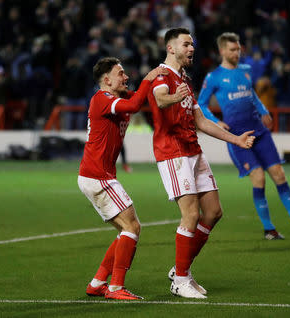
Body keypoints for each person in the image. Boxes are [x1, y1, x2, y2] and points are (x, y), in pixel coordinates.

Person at [147, 28, 255, 299]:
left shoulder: (183, 78)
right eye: (186, 44)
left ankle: (181, 269)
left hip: (193, 150)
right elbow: (159, 99)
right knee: (191, 215)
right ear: (171, 48)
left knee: (213, 212)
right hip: (173, 153)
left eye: (192, 44)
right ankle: (181, 280)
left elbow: (202, 121)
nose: (192, 48)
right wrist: (176, 95)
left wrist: (235, 140)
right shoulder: (162, 76)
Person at [198, 32, 290, 240]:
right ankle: (269, 229)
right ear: (222, 51)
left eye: (238, 49)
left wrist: (263, 110)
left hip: (259, 131)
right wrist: (216, 121)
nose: (237, 52)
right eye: (233, 49)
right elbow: (201, 103)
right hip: (237, 138)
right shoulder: (213, 77)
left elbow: (252, 94)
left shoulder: (246, 71)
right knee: (259, 177)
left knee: (280, 175)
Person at [78, 57, 167, 300]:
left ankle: (98, 283)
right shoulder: (102, 99)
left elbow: (141, 98)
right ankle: (116, 287)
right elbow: (137, 103)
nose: (126, 77)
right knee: (133, 226)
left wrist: (162, 80)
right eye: (120, 73)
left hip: (98, 175)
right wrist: (151, 77)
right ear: (106, 80)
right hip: (98, 176)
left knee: (125, 231)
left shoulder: (117, 98)